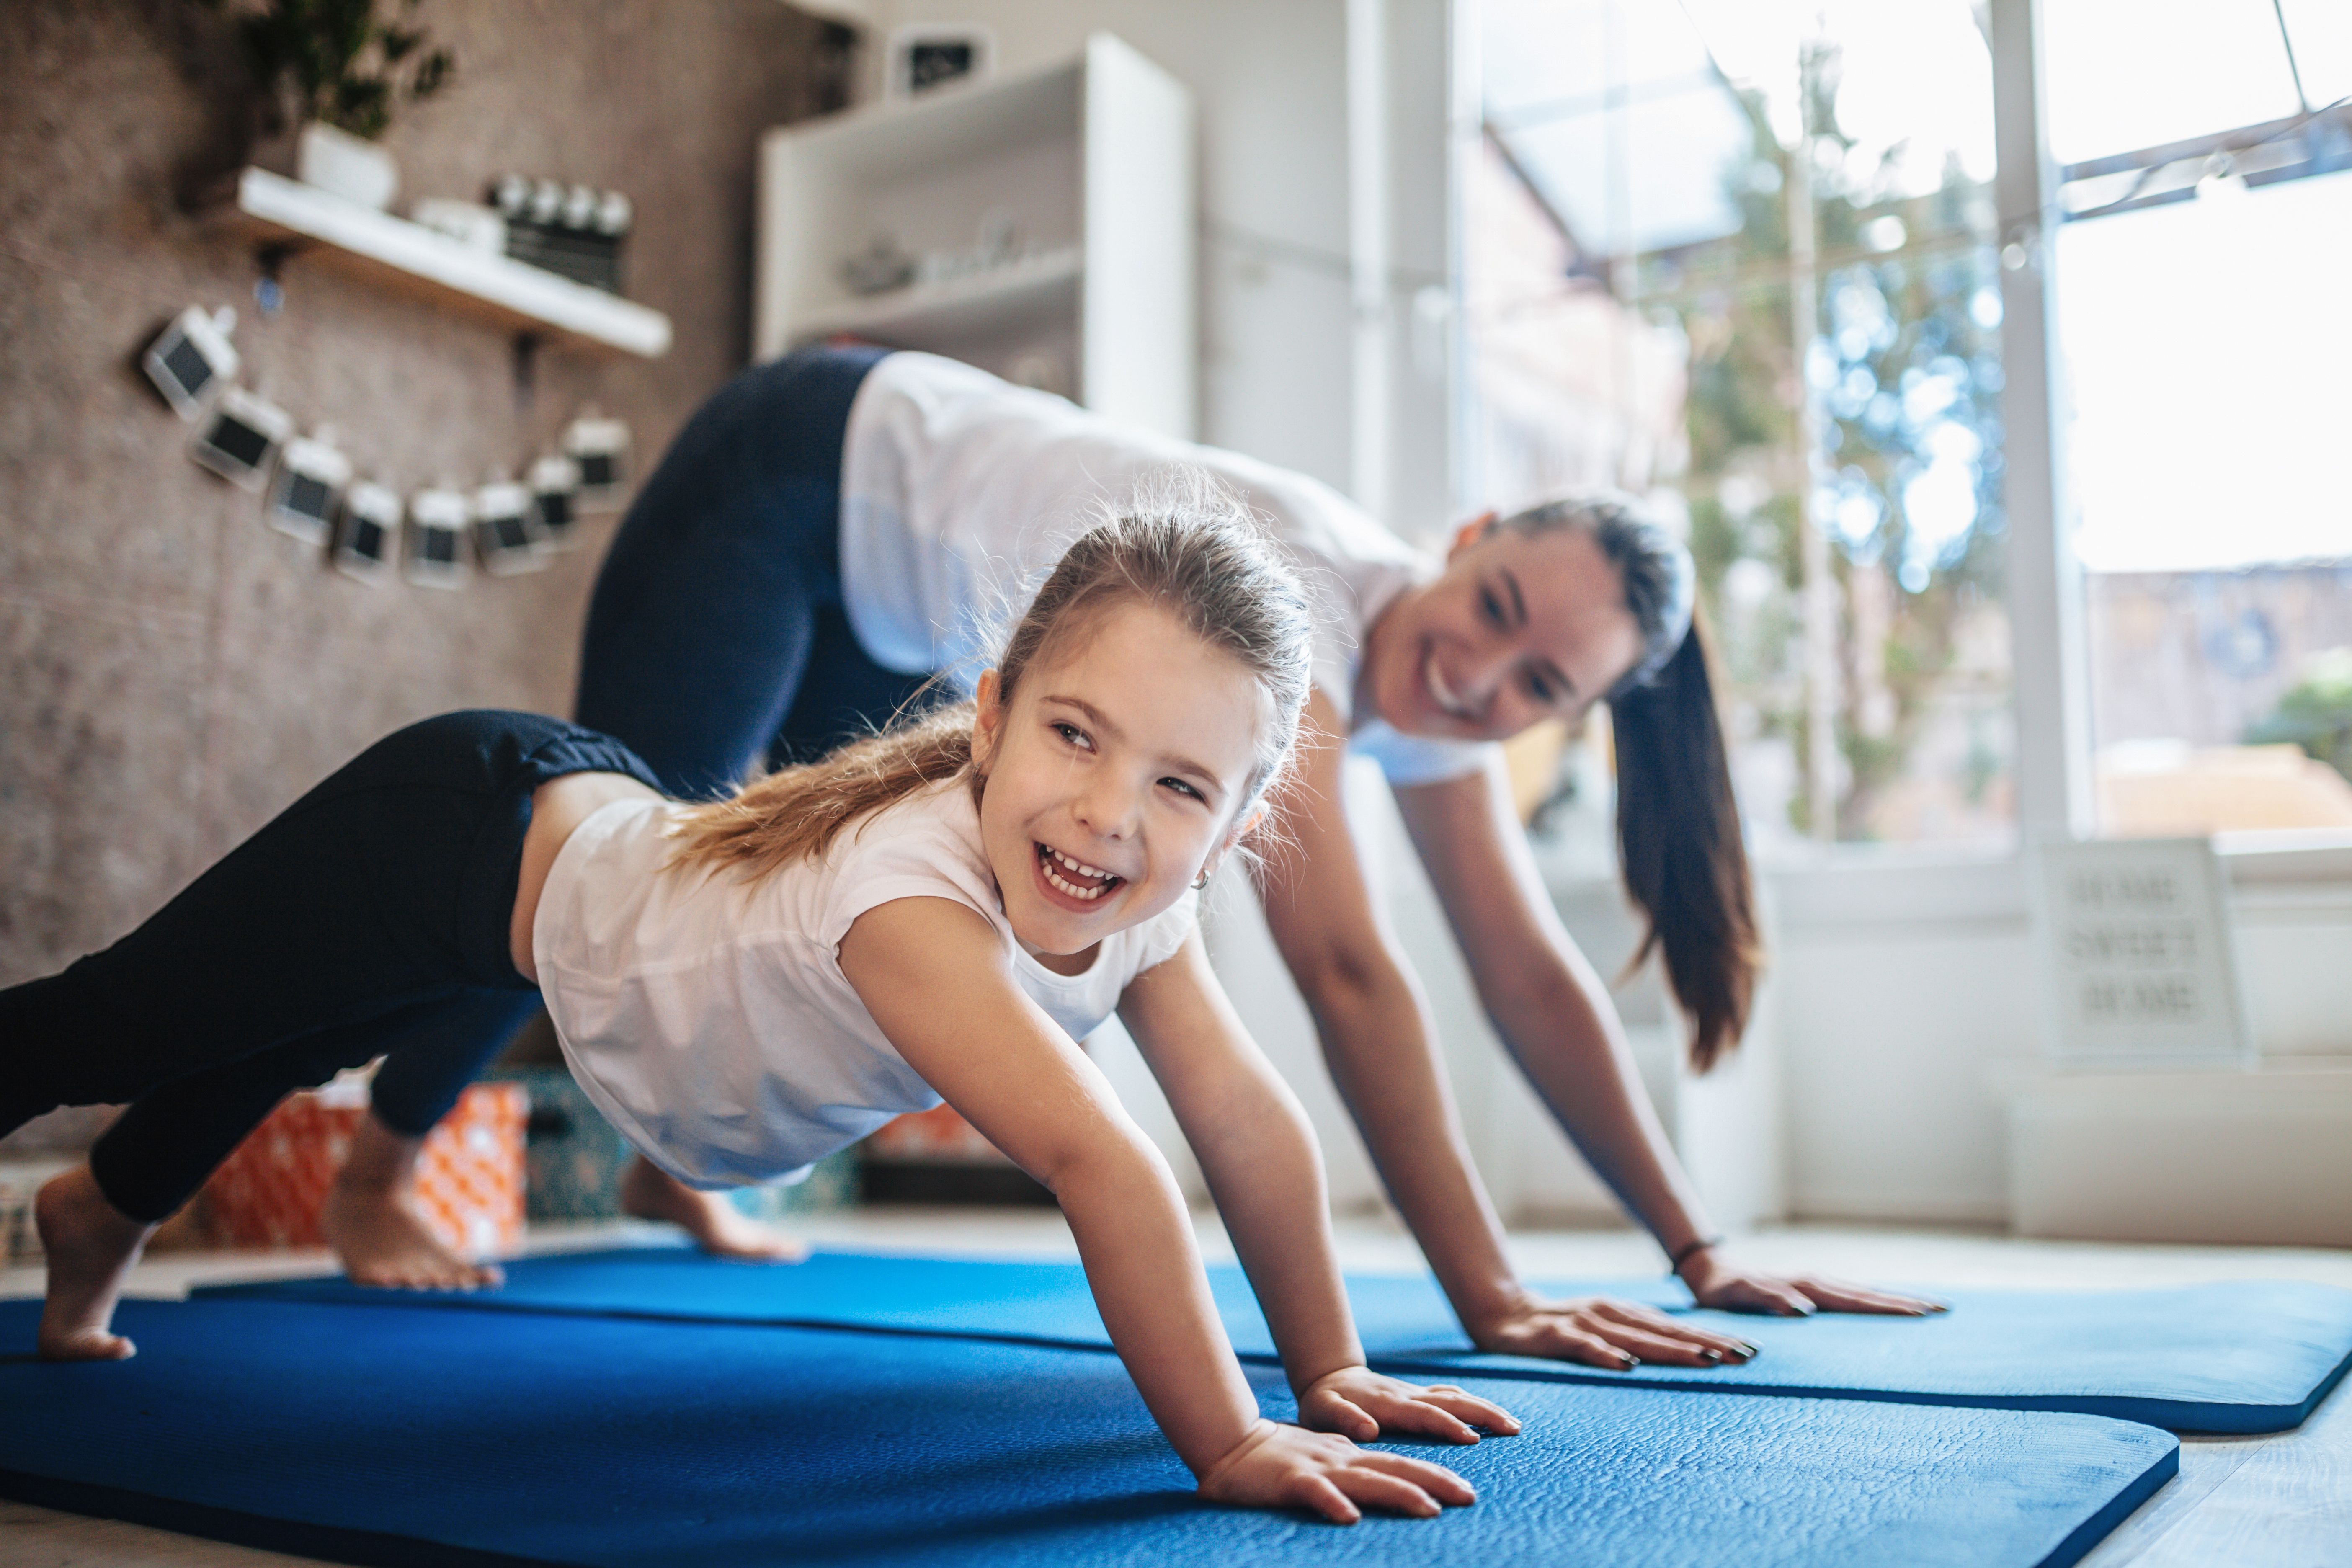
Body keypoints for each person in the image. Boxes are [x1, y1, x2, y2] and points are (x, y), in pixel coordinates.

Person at [347, 343, 1942, 1351]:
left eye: (1537, 689)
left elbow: (1525, 975)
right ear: (1461, 545)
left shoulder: (1433, 707)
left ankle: (667, 1172)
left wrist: (1695, 1246)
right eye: (1494, 613)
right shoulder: (1312, 601)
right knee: (636, 844)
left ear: (1564, 717)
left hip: (895, 599)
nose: (1475, 678)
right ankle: (381, 1170)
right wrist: (1495, 1300)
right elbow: (1347, 975)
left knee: (811, 863)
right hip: (796, 469)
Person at [5, 504, 1519, 1524]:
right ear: (989, 715)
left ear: (1246, 818)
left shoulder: (1145, 904)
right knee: (128, 1023)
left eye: (1182, 785)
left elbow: (1247, 1121)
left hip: (538, 891)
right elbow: (1107, 1167)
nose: (1111, 816)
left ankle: (99, 1214)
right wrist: (1235, 1438)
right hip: (457, 828)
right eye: (1076, 734)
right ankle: (103, 1201)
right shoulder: (910, 905)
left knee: (282, 1032)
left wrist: (1325, 1365)